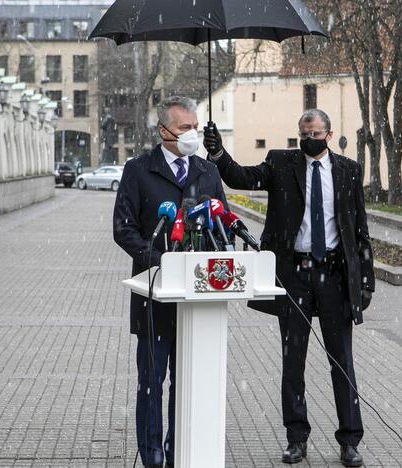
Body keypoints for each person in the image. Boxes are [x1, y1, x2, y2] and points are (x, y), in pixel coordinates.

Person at [203, 109, 374, 467]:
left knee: (341, 360)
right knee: (292, 360)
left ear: (328, 135)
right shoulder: (281, 163)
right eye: (302, 133)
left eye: (314, 133)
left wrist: (365, 280)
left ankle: (350, 441)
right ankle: (296, 438)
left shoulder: (348, 171)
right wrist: (218, 154)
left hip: (335, 276)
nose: (308, 139)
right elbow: (241, 178)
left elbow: (359, 228)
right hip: (293, 276)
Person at [113, 96, 228, 468]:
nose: (191, 133)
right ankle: (152, 456)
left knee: (189, 384)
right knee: (152, 383)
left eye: (195, 126)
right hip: (155, 295)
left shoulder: (207, 171)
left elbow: (222, 221)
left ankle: (180, 449)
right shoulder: (138, 170)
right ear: (163, 131)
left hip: (198, 301)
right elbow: (123, 229)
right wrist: (159, 259)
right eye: (183, 128)